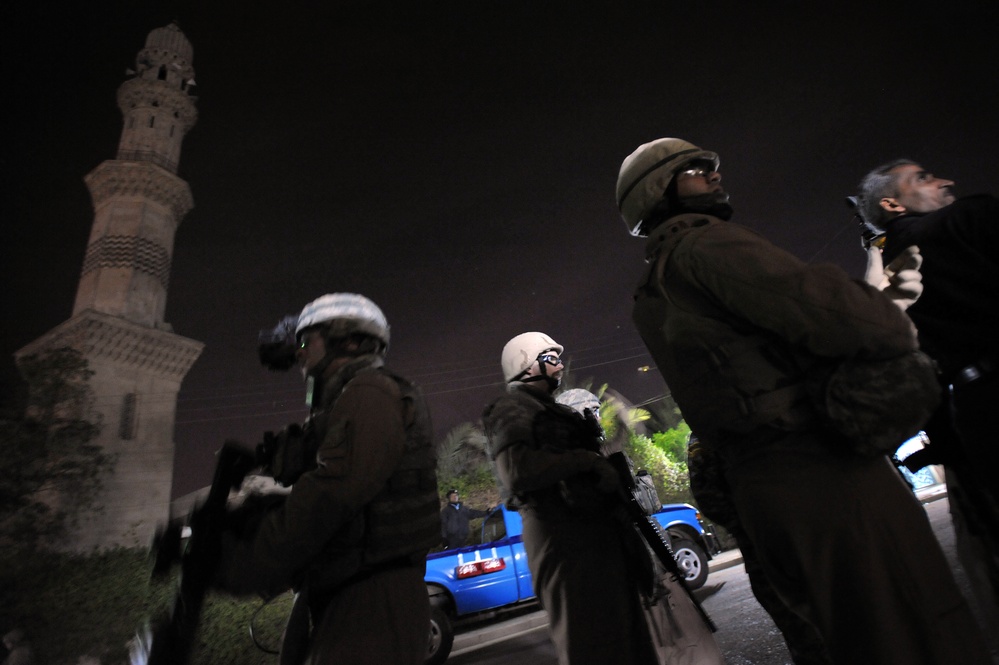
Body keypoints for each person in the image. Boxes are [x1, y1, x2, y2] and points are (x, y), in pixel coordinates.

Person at [616, 137, 992, 664]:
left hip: (769, 490)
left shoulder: (653, 287)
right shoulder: (708, 246)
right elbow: (852, 319)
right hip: (824, 474)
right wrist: (886, 307)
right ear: (658, 191)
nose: (715, 174)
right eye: (697, 169)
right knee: (917, 625)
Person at [213, 293, 440, 665]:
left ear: (347, 340)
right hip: (346, 588)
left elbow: (329, 497)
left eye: (306, 341)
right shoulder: (347, 401)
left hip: (373, 600)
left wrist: (239, 562)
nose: (298, 352)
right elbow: (315, 463)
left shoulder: (370, 392)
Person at [482, 333, 721, 665]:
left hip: (597, 531)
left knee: (629, 640)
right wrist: (587, 462)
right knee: (590, 642)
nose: (560, 365)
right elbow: (516, 471)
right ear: (525, 366)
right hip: (561, 535)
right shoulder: (512, 408)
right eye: (550, 359)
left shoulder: (552, 410)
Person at [856, 160, 999, 643]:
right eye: (923, 177)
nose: (946, 180)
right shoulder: (966, 221)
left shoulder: (883, 288)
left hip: (976, 419)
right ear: (891, 204)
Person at [687, 433, 832, 665]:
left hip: (768, 552)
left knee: (808, 642)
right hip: (820, 537)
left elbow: (709, 499)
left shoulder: (707, 433)